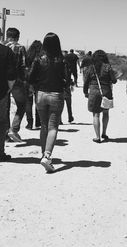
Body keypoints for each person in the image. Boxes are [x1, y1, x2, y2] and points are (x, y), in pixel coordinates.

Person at [28, 32, 70, 173]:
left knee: (44, 126)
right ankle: (47, 156)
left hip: (40, 94)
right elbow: (67, 79)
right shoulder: (62, 60)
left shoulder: (39, 58)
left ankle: (43, 154)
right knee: (53, 127)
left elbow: (31, 77)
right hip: (56, 95)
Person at [83, 50, 117, 143]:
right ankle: (104, 133)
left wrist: (85, 92)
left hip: (94, 92)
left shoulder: (91, 68)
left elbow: (86, 82)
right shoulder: (108, 67)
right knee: (105, 113)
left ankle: (97, 137)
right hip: (106, 92)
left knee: (96, 115)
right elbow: (114, 81)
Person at [5, 27, 27, 142]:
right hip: (17, 81)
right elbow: (23, 66)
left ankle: (5, 134)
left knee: (5, 108)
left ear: (7, 36)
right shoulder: (20, 48)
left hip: (2, 83)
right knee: (22, 105)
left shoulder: (3, 46)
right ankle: (14, 129)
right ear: (17, 36)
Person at [0, 42, 16, 161]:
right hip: (1, 92)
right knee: (1, 123)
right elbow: (11, 74)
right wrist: (9, 88)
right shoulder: (6, 51)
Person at [25, 40, 43, 129]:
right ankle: (38, 122)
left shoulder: (28, 55)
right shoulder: (41, 57)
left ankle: (29, 123)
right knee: (38, 102)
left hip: (28, 81)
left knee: (28, 102)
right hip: (39, 81)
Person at [62, 50, 74, 123]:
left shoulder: (58, 65)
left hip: (60, 87)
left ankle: (60, 120)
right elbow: (68, 76)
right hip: (66, 87)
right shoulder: (68, 66)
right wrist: (71, 83)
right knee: (69, 104)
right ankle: (70, 117)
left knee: (60, 105)